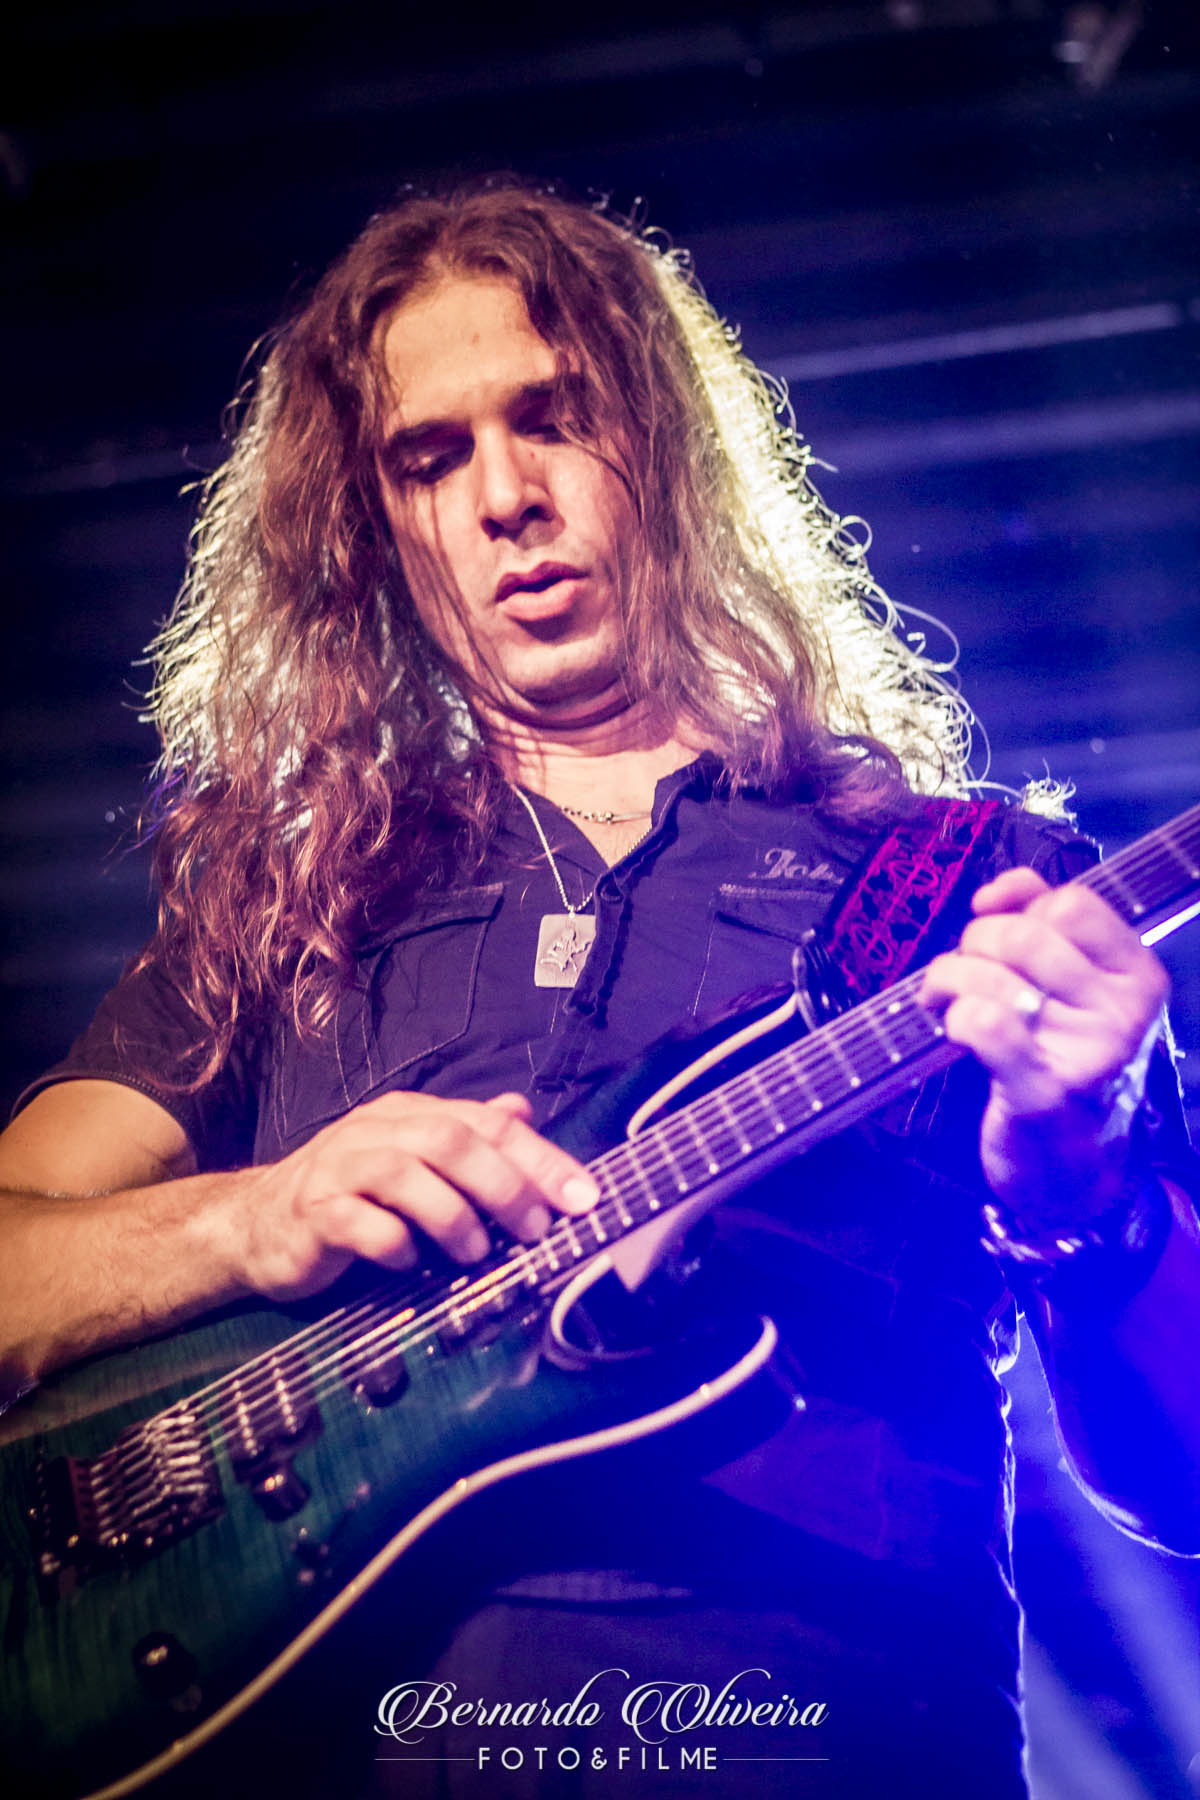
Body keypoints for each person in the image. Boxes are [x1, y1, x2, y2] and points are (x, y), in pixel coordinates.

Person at [2, 177, 1198, 1800]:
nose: (505, 496)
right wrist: (250, 1217)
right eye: (431, 457)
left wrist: (1084, 1183)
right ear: (376, 530)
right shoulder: (287, 899)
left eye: (555, 419)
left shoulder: (966, 888)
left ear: (668, 450)